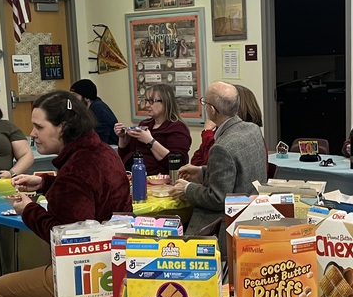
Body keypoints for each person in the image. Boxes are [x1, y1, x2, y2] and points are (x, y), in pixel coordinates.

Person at [0, 91, 131, 297]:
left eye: (39, 126)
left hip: (88, 274)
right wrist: (46, 184)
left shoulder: (75, 171)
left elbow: (63, 238)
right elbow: (87, 193)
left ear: (63, 127)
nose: (32, 134)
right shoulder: (99, 153)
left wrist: (28, 209)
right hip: (117, 264)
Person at [170, 81, 268, 236]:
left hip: (228, 227)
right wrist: (202, 172)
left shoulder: (222, 147)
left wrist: (187, 188)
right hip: (254, 217)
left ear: (213, 110)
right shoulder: (252, 129)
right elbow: (238, 172)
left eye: (205, 102)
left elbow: (218, 198)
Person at [114, 83, 191, 175]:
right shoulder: (144, 124)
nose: (147, 105)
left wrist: (150, 141)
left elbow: (177, 164)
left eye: (151, 101)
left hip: (160, 180)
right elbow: (125, 157)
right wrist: (122, 138)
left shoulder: (177, 128)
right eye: (146, 101)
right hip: (135, 175)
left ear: (165, 102)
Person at [191, 83, 263, 166]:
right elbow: (196, 161)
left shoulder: (233, 140)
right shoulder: (253, 130)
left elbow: (210, 165)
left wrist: (208, 133)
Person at [70, 78, 119, 146]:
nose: (72, 100)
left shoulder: (98, 108)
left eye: (74, 96)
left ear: (87, 98)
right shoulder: (89, 109)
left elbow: (101, 140)